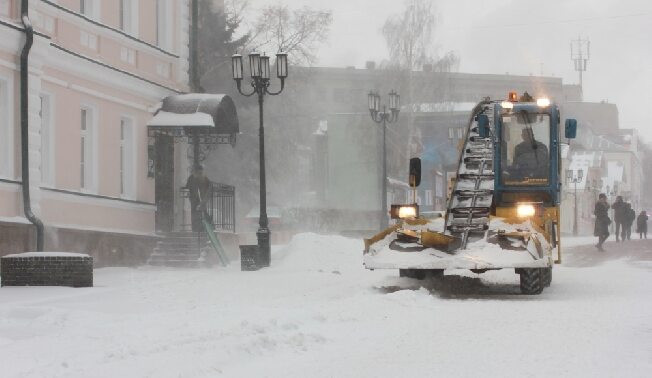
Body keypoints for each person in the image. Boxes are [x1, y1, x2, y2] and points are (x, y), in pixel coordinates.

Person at [185, 165, 211, 232]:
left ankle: (203, 228)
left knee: (202, 213)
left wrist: (204, 200)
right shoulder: (191, 178)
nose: (199, 173)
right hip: (194, 199)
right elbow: (187, 187)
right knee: (195, 214)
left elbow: (209, 189)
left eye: (200, 172)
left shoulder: (204, 179)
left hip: (202, 199)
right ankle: (196, 229)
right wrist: (188, 193)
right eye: (198, 172)